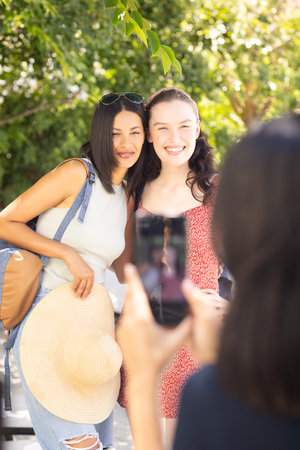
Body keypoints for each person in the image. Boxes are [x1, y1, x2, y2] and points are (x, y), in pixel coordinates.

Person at [116, 113, 300, 450]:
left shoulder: (221, 394)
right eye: (163, 126)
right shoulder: (138, 190)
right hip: (177, 330)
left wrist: (142, 382)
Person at [0, 92, 146, 450]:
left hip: (92, 332)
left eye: (135, 132)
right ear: (100, 133)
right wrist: (66, 252)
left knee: (103, 445)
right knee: (81, 445)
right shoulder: (77, 173)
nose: (126, 143)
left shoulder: (126, 194)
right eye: (115, 133)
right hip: (46, 317)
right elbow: (6, 221)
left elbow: (126, 269)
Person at [118, 87, 227, 446]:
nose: (174, 138)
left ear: (197, 128)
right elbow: (125, 269)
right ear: (149, 135)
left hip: (202, 342)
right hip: (151, 340)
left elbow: (266, 259)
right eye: (162, 128)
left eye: (183, 126)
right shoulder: (138, 192)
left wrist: (236, 305)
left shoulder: (217, 190)